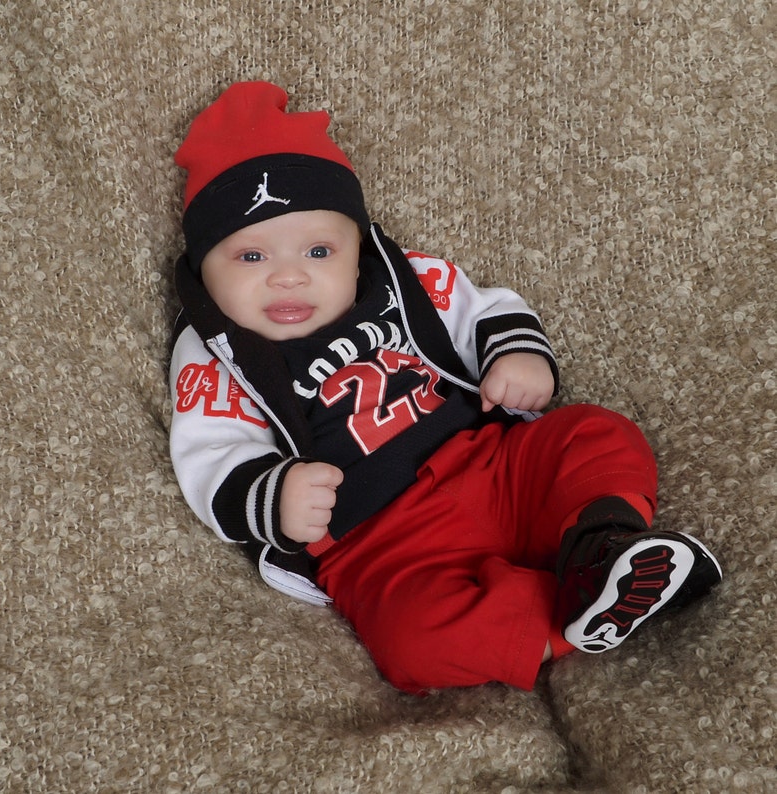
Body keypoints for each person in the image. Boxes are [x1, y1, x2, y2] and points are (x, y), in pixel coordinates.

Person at [169, 81, 722, 694]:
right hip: (385, 546)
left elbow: (482, 310)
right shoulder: (215, 351)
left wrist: (515, 354)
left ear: (358, 249)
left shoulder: (404, 280)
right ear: (203, 269)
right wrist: (275, 498)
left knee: (594, 432)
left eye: (319, 249)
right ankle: (581, 614)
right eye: (250, 258)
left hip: (495, 467)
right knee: (413, 647)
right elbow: (209, 452)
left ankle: (601, 542)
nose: (290, 277)